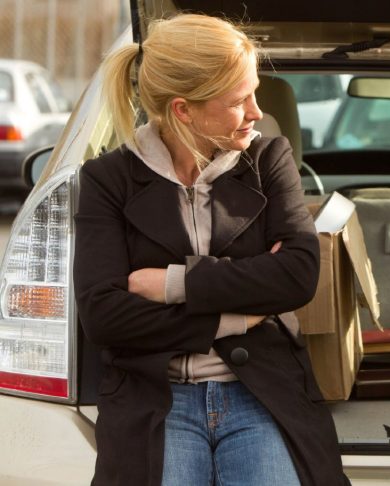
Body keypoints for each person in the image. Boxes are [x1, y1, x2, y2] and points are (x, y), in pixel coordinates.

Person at [73, 13, 349, 486]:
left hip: (260, 391)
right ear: (184, 110)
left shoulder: (268, 158)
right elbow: (104, 316)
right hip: (156, 398)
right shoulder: (107, 180)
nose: (257, 112)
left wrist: (172, 284)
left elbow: (298, 274)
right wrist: (238, 315)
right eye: (241, 101)